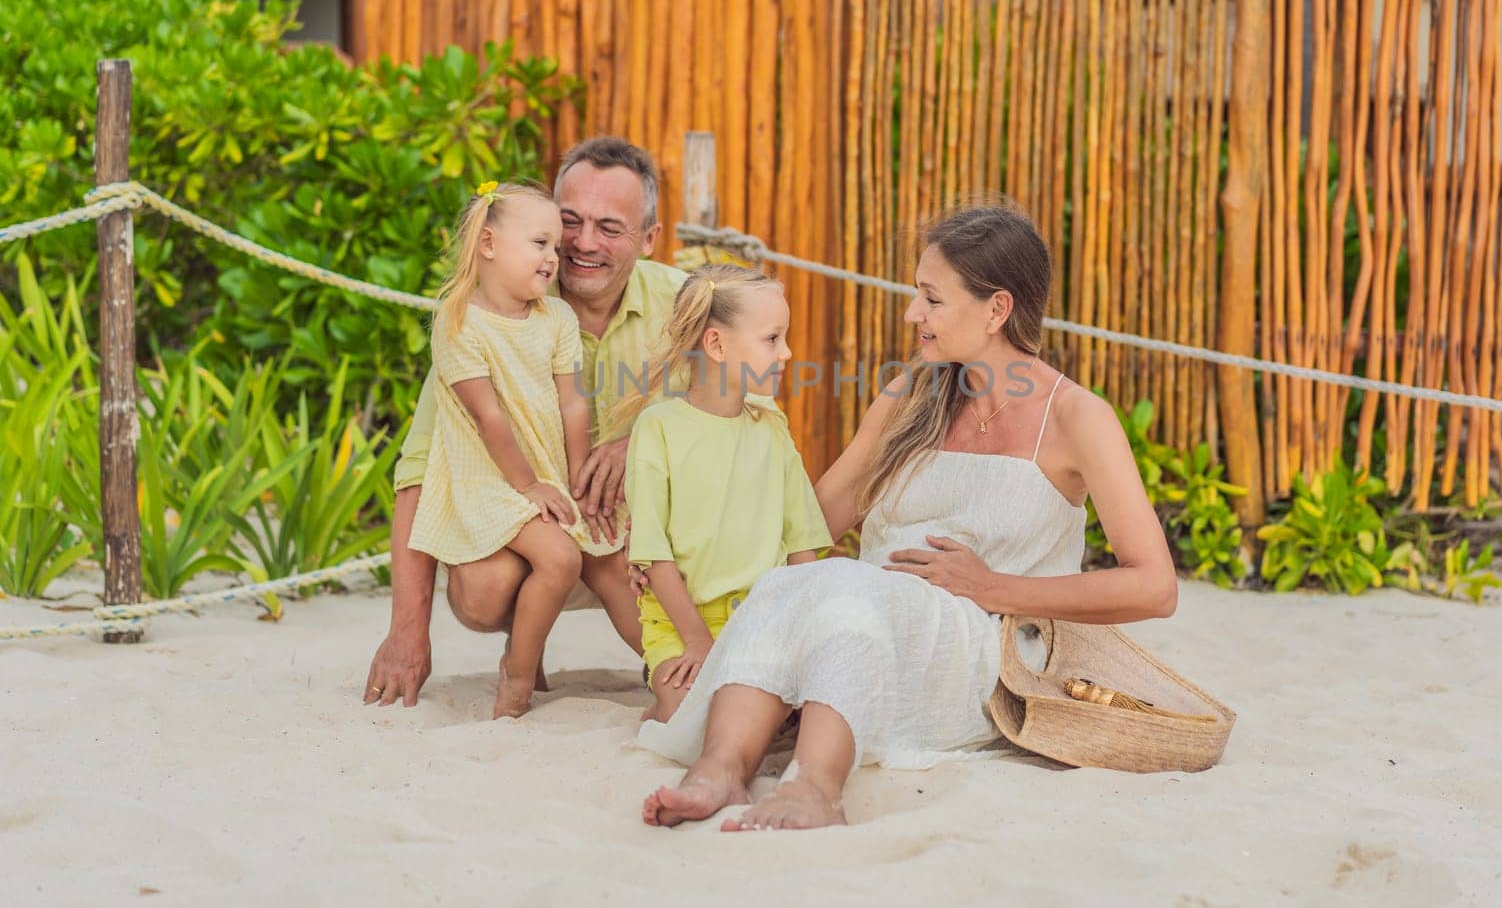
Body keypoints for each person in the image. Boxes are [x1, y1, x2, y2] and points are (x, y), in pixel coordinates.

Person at [638, 204, 1178, 830]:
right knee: (800, 581)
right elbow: (812, 519)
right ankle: (718, 773)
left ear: (996, 309)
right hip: (867, 621)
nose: (911, 314)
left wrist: (993, 587)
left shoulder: (1078, 418)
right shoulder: (912, 394)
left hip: (982, 649)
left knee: (844, 586)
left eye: (931, 299)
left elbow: (1154, 586)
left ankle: (814, 787)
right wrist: (679, 533)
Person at [364, 137, 687, 708]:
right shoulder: (483, 316)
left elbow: (753, 404)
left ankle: (688, 671)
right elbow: (419, 468)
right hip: (519, 508)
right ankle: (521, 658)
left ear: (649, 238)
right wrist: (407, 631)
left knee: (624, 556)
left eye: (610, 228)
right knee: (487, 589)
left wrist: (639, 439)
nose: (582, 245)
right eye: (567, 225)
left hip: (628, 521)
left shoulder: (685, 303)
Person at [410, 182, 609, 718]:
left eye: (555, 248)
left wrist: (574, 479)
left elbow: (574, 408)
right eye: (540, 243)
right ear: (490, 244)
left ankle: (529, 655)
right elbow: (487, 416)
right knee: (561, 556)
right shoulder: (458, 323)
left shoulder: (557, 319)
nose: (553, 258)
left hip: (543, 475)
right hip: (491, 482)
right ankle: (517, 678)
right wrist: (529, 487)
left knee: (586, 552)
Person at [615, 265, 832, 723]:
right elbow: (652, 554)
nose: (788, 353)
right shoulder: (658, 430)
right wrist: (697, 641)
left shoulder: (771, 427)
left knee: (776, 715)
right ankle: (660, 697)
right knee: (691, 721)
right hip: (680, 625)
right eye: (772, 339)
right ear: (716, 344)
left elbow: (801, 545)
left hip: (762, 621)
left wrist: (800, 631)